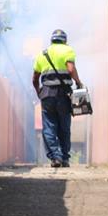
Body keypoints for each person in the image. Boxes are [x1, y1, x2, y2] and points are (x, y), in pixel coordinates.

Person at [32, 29, 84, 168]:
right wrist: (78, 83)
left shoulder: (42, 54)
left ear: (52, 40)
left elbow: (35, 78)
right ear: (65, 40)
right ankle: (65, 158)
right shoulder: (68, 50)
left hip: (47, 95)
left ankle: (55, 157)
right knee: (64, 127)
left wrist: (38, 91)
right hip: (64, 94)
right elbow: (71, 69)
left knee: (49, 126)